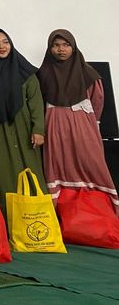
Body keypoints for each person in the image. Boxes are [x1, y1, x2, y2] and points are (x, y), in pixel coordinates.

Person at [36, 29, 118, 212]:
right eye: (56, 45)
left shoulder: (88, 73)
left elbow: (97, 100)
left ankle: (99, 211)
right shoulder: (43, 74)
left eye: (66, 45)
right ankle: (66, 214)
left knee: (90, 161)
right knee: (59, 163)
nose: (61, 49)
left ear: (74, 48)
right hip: (54, 124)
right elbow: (37, 103)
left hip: (83, 124)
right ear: (50, 49)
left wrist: (91, 124)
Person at [0, 29, 46, 213]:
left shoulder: (24, 70)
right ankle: (9, 222)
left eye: (5, 42)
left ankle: (38, 217)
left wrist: (38, 129)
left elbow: (36, 102)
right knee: (2, 173)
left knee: (32, 172)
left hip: (24, 128)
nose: (1, 46)